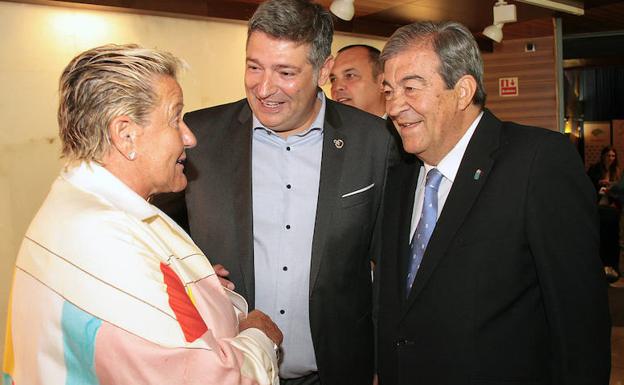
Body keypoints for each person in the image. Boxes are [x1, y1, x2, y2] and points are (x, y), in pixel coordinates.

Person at [2, 44, 282, 385]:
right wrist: (258, 337)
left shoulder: (88, 203)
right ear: (126, 135)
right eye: (176, 118)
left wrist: (195, 287)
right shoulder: (102, 241)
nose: (190, 137)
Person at [158, 1, 397, 384]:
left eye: (285, 72)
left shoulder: (374, 141)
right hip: (231, 369)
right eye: (254, 67)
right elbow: (153, 235)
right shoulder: (198, 137)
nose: (264, 88)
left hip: (337, 370)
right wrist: (187, 273)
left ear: (323, 70)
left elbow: (393, 266)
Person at [376, 21, 611, 384]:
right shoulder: (400, 174)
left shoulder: (537, 163)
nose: (394, 106)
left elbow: (580, 321)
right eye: (388, 91)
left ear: (463, 91)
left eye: (410, 88)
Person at [588, 146, 621, 280]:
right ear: (603, 156)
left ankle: (612, 267)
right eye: (608, 155)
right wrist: (599, 183)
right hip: (598, 207)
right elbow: (589, 184)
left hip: (612, 208)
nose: (610, 158)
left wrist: (612, 187)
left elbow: (619, 188)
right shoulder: (595, 169)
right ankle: (599, 267)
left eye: (613, 156)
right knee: (600, 237)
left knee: (612, 239)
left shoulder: (617, 171)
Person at [329, 45, 385, 118]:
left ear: (382, 81)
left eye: (349, 75)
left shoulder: (401, 126)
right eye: (333, 79)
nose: (337, 87)